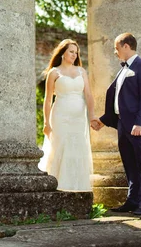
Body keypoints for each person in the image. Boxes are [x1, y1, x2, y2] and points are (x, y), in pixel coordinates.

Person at [91, 32, 141, 214]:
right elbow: (120, 102)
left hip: (138, 126)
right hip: (123, 125)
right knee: (130, 164)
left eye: (117, 48)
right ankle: (133, 201)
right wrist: (103, 121)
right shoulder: (123, 70)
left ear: (126, 46)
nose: (115, 52)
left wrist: (140, 123)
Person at [38, 39, 95, 191]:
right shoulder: (54, 73)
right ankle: (56, 185)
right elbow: (48, 99)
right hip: (60, 116)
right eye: (71, 51)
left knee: (77, 147)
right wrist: (46, 124)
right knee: (60, 146)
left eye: (76, 53)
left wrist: (92, 116)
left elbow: (88, 95)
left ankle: (77, 186)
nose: (74, 55)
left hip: (78, 118)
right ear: (62, 52)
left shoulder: (82, 71)